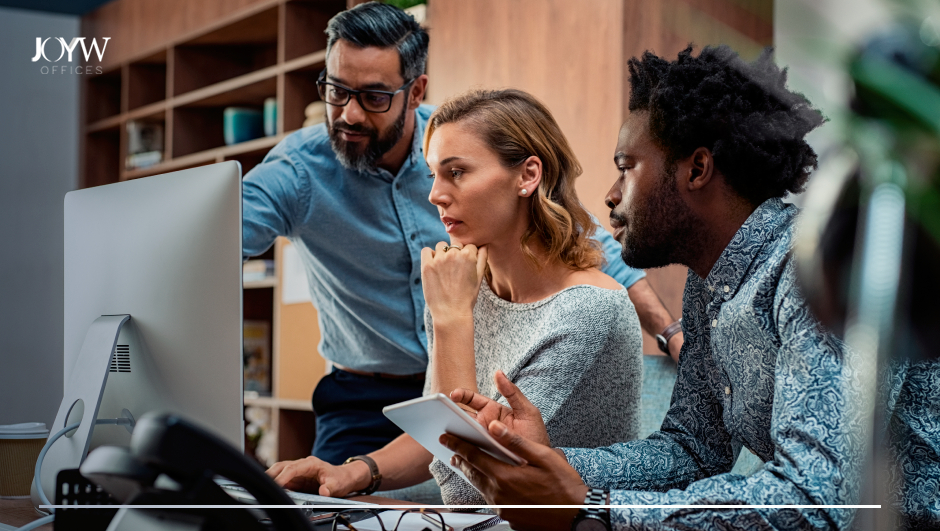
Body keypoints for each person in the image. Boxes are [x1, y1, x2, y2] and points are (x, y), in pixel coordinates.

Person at [241, 0, 681, 479]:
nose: (349, 114)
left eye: (373, 97)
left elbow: (468, 481)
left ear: (414, 92)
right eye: (336, 90)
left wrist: (671, 332)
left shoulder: (570, 307)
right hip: (365, 393)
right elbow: (213, 240)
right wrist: (359, 470)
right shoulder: (299, 171)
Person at [439, 45, 871, 530]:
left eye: (626, 166)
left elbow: (811, 497)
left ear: (697, 169)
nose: (610, 194)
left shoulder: (814, 270)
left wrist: (593, 507)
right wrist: (548, 464)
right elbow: (692, 450)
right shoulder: (709, 286)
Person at [265, 88, 644, 505]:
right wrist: (354, 472)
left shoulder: (588, 310)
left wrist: (450, 320)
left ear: (527, 175)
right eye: (433, 175)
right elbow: (437, 431)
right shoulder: (465, 288)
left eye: (457, 172)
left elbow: (468, 488)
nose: (435, 195)